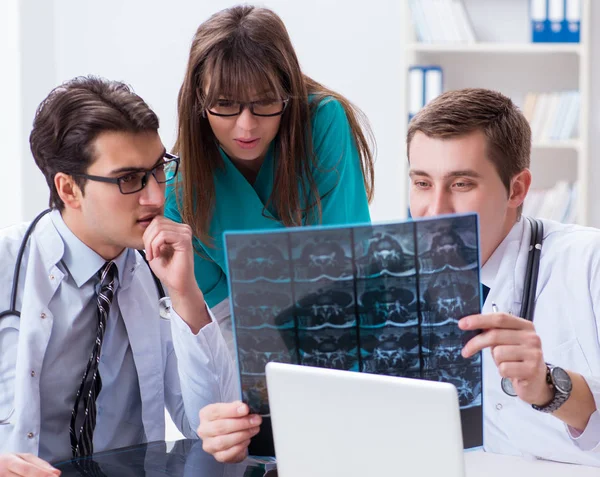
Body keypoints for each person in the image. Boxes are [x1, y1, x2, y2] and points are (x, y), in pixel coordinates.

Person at [198, 88, 600, 467]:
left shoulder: (587, 263)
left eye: (461, 184)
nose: (435, 209)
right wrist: (238, 430)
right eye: (422, 183)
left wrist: (551, 387)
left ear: (517, 189)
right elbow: (325, 423)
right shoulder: (382, 285)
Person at [0, 76, 237, 475]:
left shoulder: (159, 267)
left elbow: (210, 428)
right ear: (69, 189)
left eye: (158, 169)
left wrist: (185, 294)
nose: (156, 197)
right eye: (128, 179)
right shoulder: (8, 265)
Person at [165, 5, 375, 347]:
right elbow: (218, 326)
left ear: (287, 92)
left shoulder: (323, 122)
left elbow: (344, 275)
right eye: (226, 104)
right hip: (248, 359)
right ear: (198, 101)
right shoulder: (178, 191)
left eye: (264, 103)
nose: (246, 126)